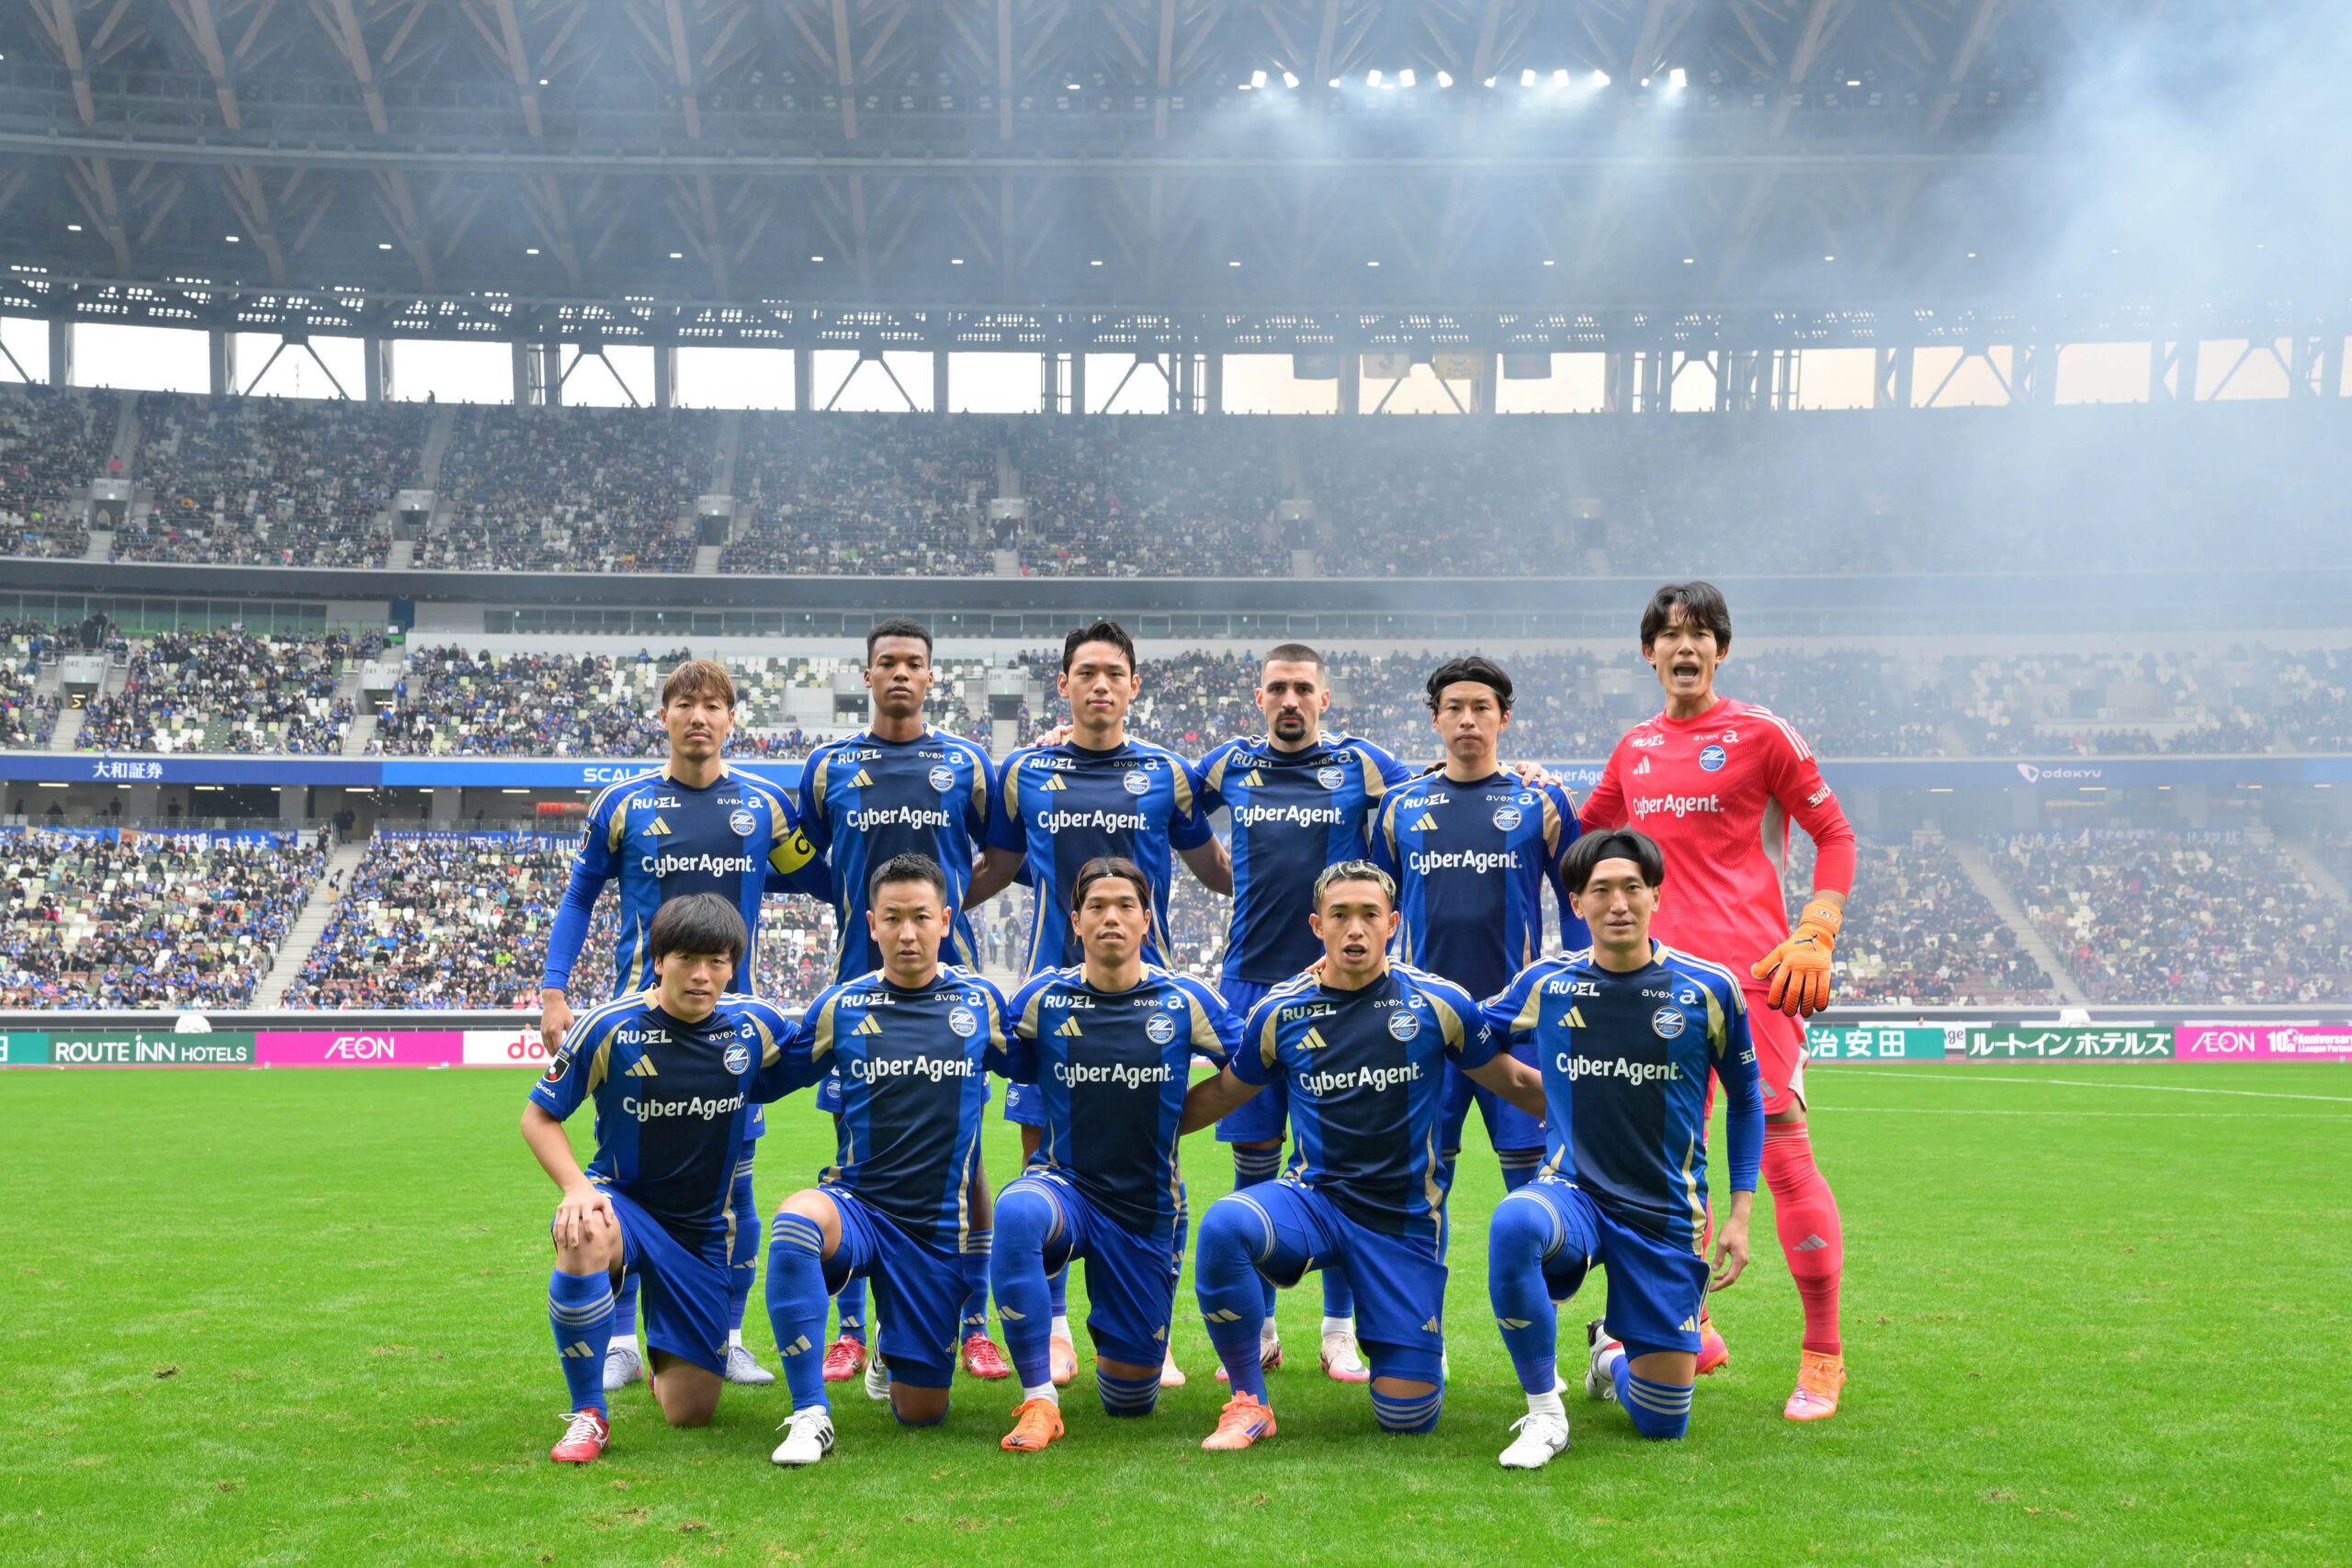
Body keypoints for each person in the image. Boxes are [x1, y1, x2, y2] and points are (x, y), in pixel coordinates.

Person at [1577, 581, 1858, 1419]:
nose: (1685, 645)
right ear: (1649, 652)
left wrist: (1817, 930)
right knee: (1665, 1164)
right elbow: (1585, 835)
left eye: (1701, 633)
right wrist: (1532, 782)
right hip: (1656, 988)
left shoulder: (1762, 734)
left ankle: (1822, 1354)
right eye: (1669, 634)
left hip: (1754, 982)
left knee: (1783, 1152)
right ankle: (1689, 1324)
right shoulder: (1634, 749)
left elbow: (1835, 834)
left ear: (1721, 650)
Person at [1177, 861, 1545, 1450]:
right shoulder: (1282, 1010)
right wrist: (1145, 1133)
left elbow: (1516, 1082)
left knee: (1408, 1417)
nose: (1355, 929)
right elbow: (1223, 1092)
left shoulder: (1438, 1003)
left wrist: (1602, 1114)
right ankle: (1249, 1401)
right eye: (1340, 915)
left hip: (1402, 1224)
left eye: (1369, 914)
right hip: (1314, 1203)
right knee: (1226, 1225)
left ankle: (1394, 1335)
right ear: (1317, 925)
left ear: (1392, 923)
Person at [537, 658, 826, 1393]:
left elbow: (828, 877)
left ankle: (726, 1337)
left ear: (732, 719)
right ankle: (619, 1342)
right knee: (627, 1180)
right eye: (685, 704)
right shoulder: (623, 804)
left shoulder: (764, 806)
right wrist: (554, 990)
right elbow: (579, 896)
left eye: (713, 705)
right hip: (640, 1023)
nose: (699, 716)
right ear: (663, 716)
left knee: (735, 1188)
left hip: (733, 1030)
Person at [967, 618, 1232, 1383]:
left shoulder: (1167, 773)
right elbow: (998, 865)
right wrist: (927, 910)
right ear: (1064, 684)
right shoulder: (1025, 771)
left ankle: (1152, 1326)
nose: (1101, 685)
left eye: (1115, 672)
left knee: (1155, 1158)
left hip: (1147, 1002)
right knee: (1038, 1159)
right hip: (1047, 996)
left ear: (1134, 684)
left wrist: (1311, 910)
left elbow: (1217, 868)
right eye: (1086, 672)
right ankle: (1053, 1327)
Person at [1479, 829, 1761, 1469]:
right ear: (1576, 903)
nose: (1618, 903)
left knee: (1663, 1424)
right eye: (1600, 890)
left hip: (1666, 1214)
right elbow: (1463, 1030)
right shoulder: (1547, 983)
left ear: (1656, 895)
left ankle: (1609, 1354)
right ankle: (1545, 1413)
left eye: (1632, 887)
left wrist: (1740, 1213)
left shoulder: (1708, 988)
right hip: (1573, 1193)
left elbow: (1747, 1099)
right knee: (1515, 1221)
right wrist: (1530, 1091)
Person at [795, 617, 1008, 1384]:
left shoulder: (966, 764)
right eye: (886, 662)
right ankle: (852, 1330)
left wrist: (939, 914)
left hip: (952, 996)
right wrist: (858, 904)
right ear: (867, 674)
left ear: (930, 676)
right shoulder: (828, 766)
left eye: (913, 663)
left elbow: (1005, 851)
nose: (899, 673)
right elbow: (805, 855)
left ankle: (974, 1322)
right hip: (857, 990)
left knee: (968, 1160)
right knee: (854, 1155)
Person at [1193, 642, 1412, 1384]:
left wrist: (1528, 772)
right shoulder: (1229, 765)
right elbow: (1169, 802)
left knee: (1345, 1164)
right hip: (1250, 986)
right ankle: (1259, 1330)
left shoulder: (1363, 764)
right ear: (1259, 697)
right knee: (1253, 1161)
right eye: (1278, 688)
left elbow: (1440, 795)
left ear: (1324, 698)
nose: (1290, 700)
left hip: (1340, 989)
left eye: (1303, 688)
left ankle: (1338, 1332)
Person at [520, 895, 802, 1466]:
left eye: (717, 961)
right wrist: (577, 1188)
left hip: (700, 1233)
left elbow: (817, 1052)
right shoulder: (609, 1025)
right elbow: (538, 1117)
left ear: (732, 965)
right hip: (623, 1203)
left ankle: (663, 1363)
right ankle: (588, 1413)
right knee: (584, 1229)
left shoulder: (755, 1023)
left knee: (691, 1413)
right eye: (687, 959)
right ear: (658, 961)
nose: (702, 975)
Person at [763, 854, 1014, 1467]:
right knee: (795, 1223)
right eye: (893, 918)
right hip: (857, 1208)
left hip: (933, 1233)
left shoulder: (980, 1002)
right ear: (871, 924)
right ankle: (810, 1413)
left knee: (920, 1413)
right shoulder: (842, 1006)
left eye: (921, 917)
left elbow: (1043, 1064)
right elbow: (770, 1076)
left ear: (946, 920)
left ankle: (890, 1346)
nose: (907, 933)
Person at [992, 857, 1241, 1451]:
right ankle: (1039, 1400)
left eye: (1126, 905)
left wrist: (1179, 1117)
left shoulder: (1183, 998)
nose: (1111, 917)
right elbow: (988, 1045)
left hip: (1144, 1209)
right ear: (1075, 921)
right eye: (1097, 906)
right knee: (1017, 1211)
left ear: (1146, 920)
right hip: (1065, 1188)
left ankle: (1117, 1341)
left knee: (1129, 1401)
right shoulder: (1042, 998)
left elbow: (1256, 1058)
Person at [1370, 656, 1584, 1197]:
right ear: (1436, 718)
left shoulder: (1542, 799)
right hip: (1421, 1019)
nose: (1468, 718)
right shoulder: (1399, 806)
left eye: (1481, 707)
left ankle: (1538, 1259)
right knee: (1420, 1182)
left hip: (1519, 1021)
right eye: (1454, 707)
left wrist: (1588, 987)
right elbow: (1373, 912)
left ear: (1503, 718)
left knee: (1532, 1183)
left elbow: (1576, 903)